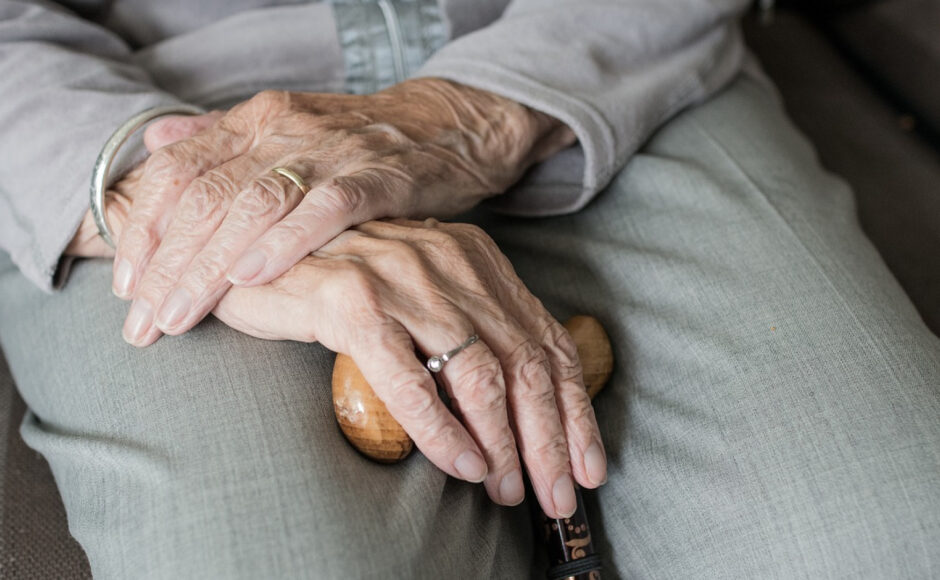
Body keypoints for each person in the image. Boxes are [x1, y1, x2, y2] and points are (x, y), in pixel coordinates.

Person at [1, 0, 938, 578]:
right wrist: (172, 199)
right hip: (142, 114)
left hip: (602, 62)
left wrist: (467, 115)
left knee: (886, 537)